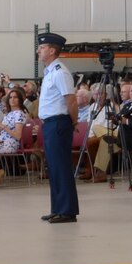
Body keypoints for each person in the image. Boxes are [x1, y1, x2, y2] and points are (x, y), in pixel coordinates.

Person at [36, 32, 80, 223]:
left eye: (42, 47)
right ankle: (58, 208)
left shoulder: (60, 72)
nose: (38, 50)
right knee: (53, 168)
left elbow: (70, 100)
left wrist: (73, 122)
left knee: (61, 167)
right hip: (50, 124)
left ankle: (67, 211)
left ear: (52, 50)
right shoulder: (49, 72)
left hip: (59, 122)